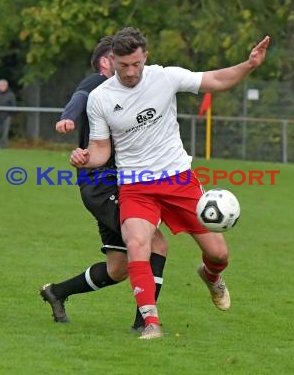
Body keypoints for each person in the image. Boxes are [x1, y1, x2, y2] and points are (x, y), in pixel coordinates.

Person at [71, 27, 270, 339]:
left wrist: (248, 65)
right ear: (113, 61)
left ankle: (211, 276)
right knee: (138, 245)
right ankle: (151, 324)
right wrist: (86, 158)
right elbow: (101, 150)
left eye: (136, 64)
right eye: (123, 66)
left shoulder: (165, 77)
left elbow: (215, 80)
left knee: (219, 254)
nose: (131, 72)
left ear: (145, 57)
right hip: (135, 185)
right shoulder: (100, 98)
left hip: (178, 180)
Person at [39, 36, 169, 332]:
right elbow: (79, 99)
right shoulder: (96, 83)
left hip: (117, 184)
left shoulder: (126, 92)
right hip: (102, 184)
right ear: (105, 63)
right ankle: (144, 323)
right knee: (156, 242)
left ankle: (56, 292)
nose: (128, 69)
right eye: (119, 61)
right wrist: (68, 118)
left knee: (118, 268)